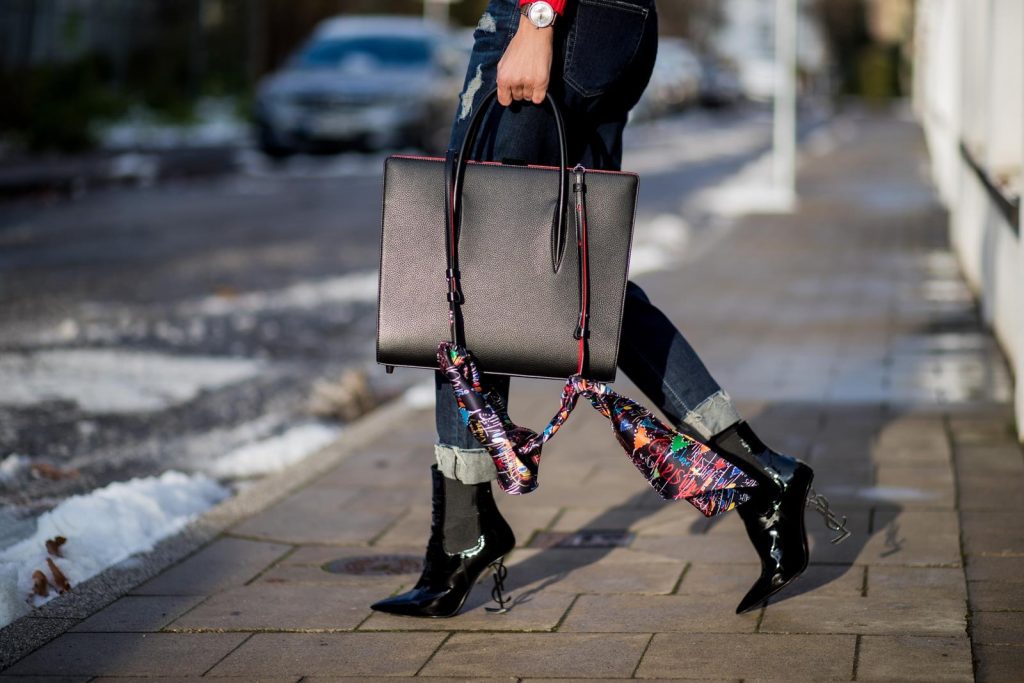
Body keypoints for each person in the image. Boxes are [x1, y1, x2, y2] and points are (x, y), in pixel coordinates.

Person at [371, 0, 839, 618]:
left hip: (557, 24)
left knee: (475, 255)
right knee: (580, 280)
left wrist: (537, 20)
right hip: (611, 28)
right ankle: (760, 472)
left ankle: (463, 532)